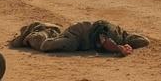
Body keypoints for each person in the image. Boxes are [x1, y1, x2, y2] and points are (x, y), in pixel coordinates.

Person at [10, 20, 149, 56]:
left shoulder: (122, 35)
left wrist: (126, 45)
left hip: (86, 38)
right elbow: (105, 42)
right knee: (47, 45)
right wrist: (120, 49)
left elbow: (143, 41)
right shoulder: (107, 32)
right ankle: (41, 30)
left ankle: (52, 31)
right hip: (79, 34)